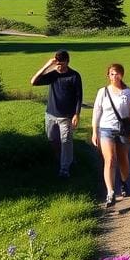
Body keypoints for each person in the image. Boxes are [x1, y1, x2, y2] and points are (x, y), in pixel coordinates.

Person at [91, 63, 130, 207]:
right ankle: (110, 193)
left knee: (123, 159)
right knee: (110, 159)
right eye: (111, 73)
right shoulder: (103, 92)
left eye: (117, 73)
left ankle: (124, 182)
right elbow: (97, 111)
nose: (114, 76)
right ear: (108, 76)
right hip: (106, 129)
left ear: (122, 75)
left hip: (123, 130)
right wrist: (94, 131)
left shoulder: (129, 92)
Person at [31, 49, 83, 178]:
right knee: (52, 139)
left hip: (66, 116)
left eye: (61, 63)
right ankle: (64, 159)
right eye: (57, 63)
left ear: (67, 61)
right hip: (50, 114)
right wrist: (47, 65)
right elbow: (33, 81)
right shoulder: (53, 74)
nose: (59, 66)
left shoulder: (74, 76)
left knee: (65, 141)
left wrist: (76, 114)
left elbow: (78, 96)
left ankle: (64, 169)